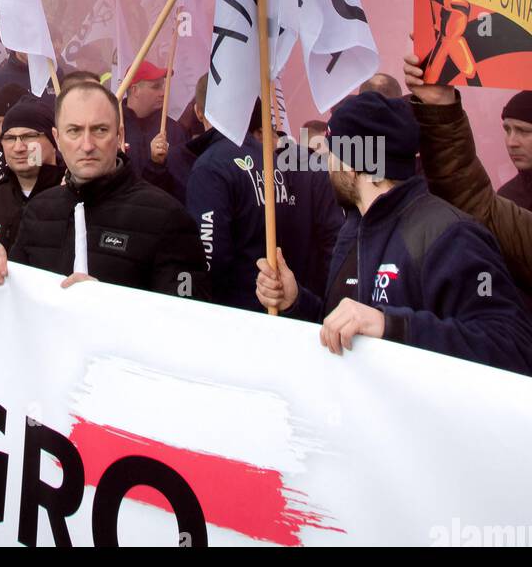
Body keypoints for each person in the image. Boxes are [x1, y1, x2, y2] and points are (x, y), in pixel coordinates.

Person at [255, 91, 532, 375]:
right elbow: (345, 333)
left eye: (330, 153)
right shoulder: (353, 229)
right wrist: (296, 302)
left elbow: (511, 345)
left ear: (353, 165)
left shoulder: (452, 236)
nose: (325, 164)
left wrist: (392, 325)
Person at [0, 81, 210, 300]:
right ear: (57, 138)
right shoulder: (38, 211)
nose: (87, 145)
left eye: (99, 130)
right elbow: (14, 302)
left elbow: (187, 314)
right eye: (74, 131)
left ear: (119, 135)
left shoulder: (167, 217)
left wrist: (108, 306)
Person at [187, 99, 342, 311]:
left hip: (240, 309)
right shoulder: (272, 159)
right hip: (280, 299)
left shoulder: (212, 166)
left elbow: (210, 256)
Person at [403, 51, 532, 294]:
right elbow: (474, 203)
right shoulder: (509, 195)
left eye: (524, 131)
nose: (512, 141)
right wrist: (440, 106)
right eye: (507, 129)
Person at [0, 96, 62, 254]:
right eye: (9, 138)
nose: (18, 147)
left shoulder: (72, 196)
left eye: (29, 136)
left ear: (54, 139)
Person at [121, 60, 192, 200]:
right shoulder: (114, 127)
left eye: (163, 86)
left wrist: (159, 165)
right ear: (135, 90)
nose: (162, 93)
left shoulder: (174, 130)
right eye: (155, 87)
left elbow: (184, 184)